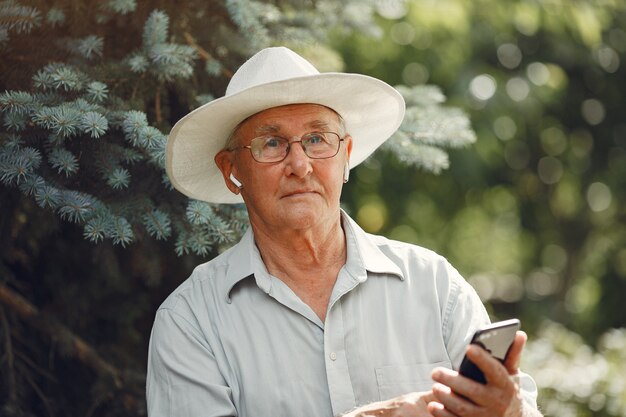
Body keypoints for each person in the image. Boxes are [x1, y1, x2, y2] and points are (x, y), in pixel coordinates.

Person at [147, 46, 542, 417]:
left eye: (317, 139)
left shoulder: (435, 287)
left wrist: (509, 410)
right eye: (271, 143)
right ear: (231, 171)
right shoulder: (191, 321)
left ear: (346, 156)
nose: (300, 164)